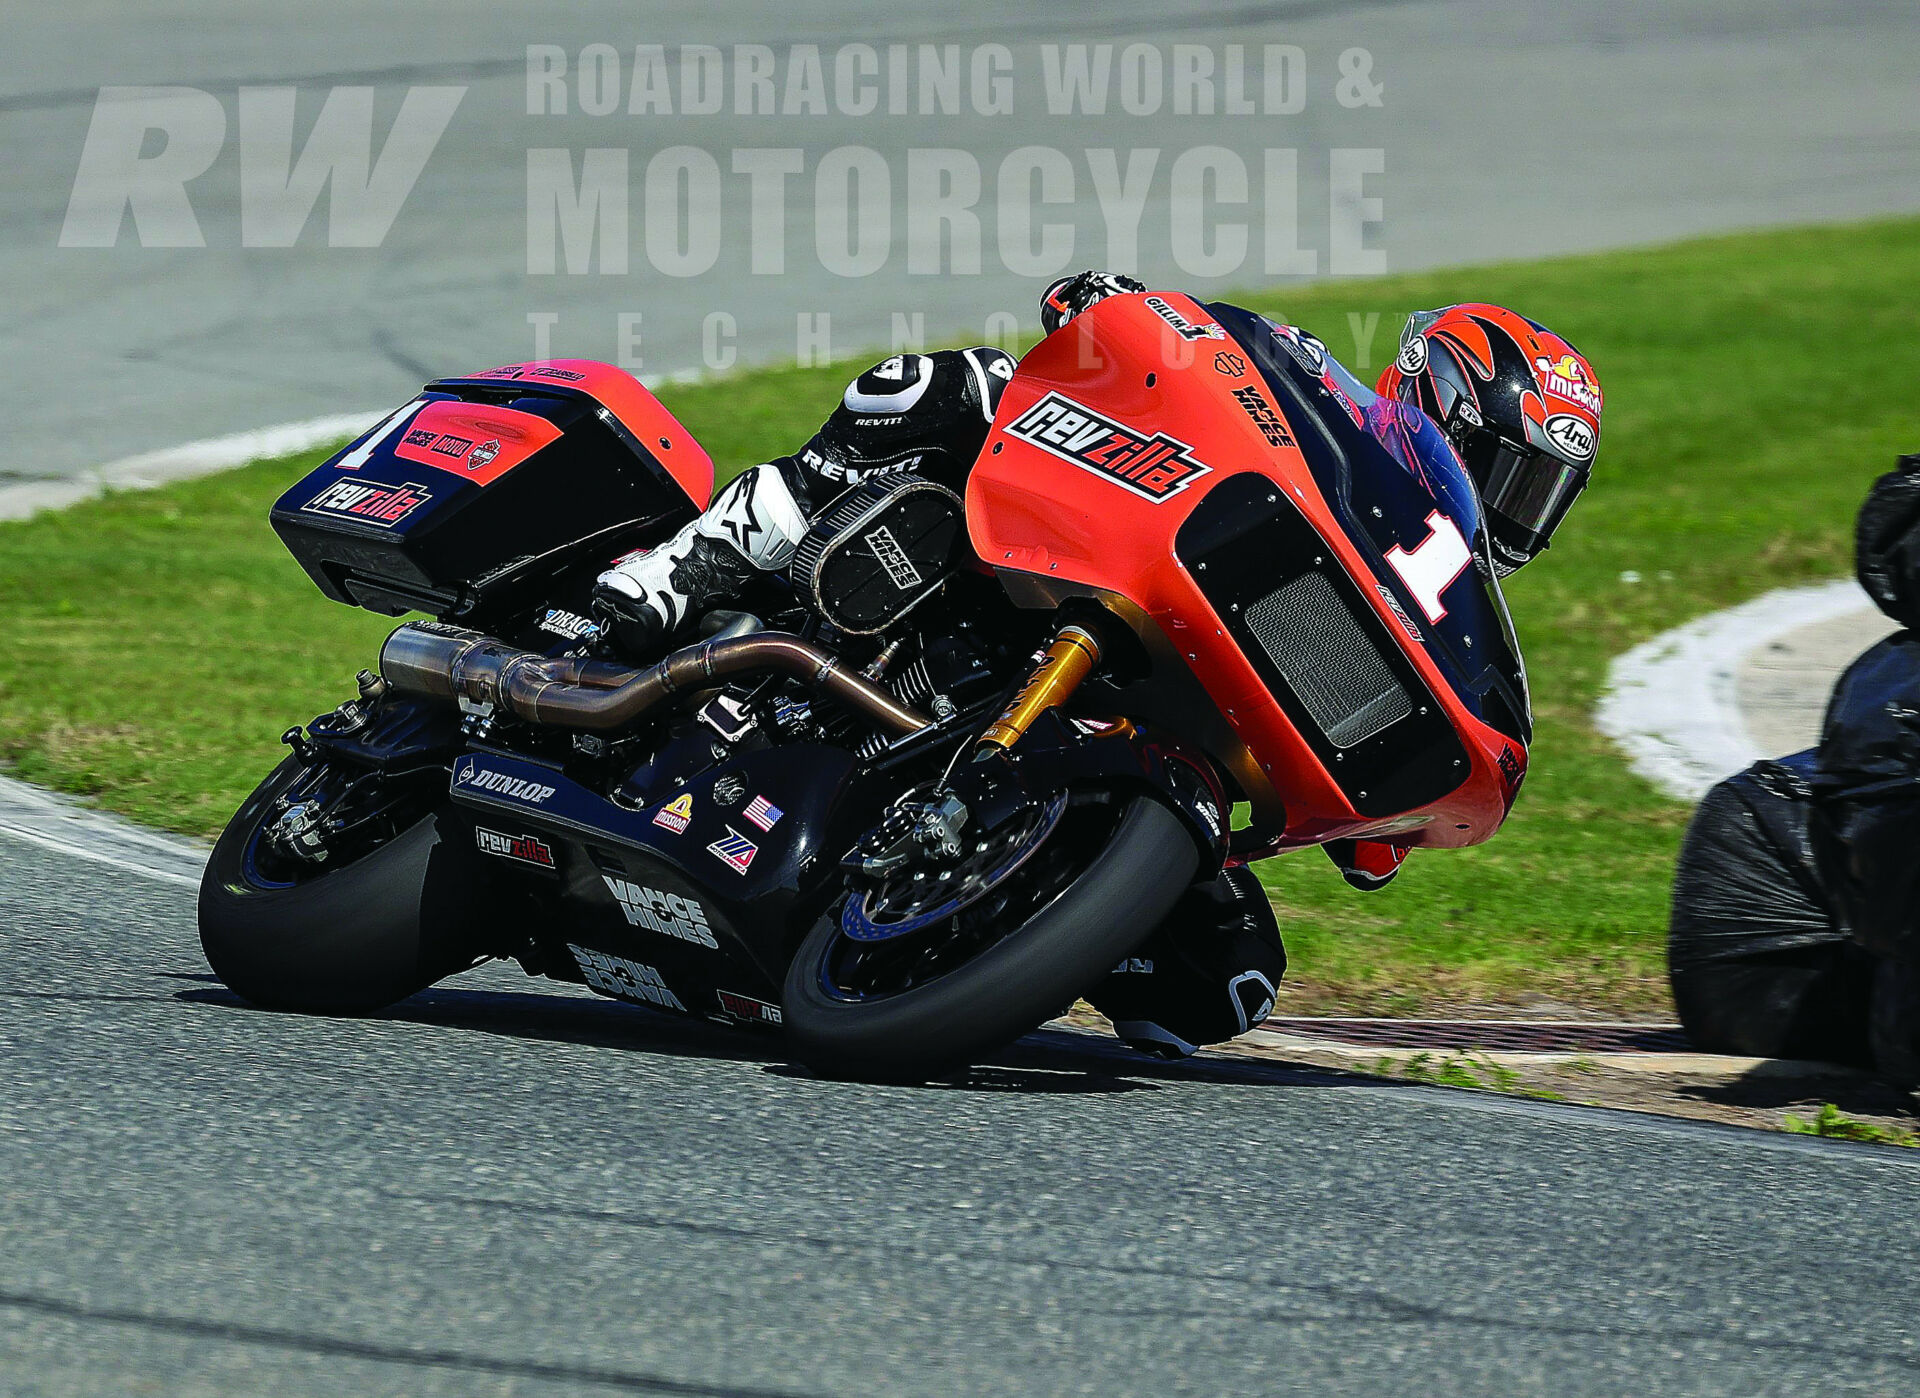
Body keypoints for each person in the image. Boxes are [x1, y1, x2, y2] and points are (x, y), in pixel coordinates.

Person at [588, 273, 1602, 1053]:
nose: (1517, 509)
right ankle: (684, 568)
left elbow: (1366, 850)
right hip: (1057, 595)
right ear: (1442, 397)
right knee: (957, 388)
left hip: (1134, 741)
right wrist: (1120, 311)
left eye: (1542, 493)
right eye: (1510, 470)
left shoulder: (1441, 608)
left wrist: (1389, 810)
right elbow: (1204, 352)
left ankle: (957, 934)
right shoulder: (1317, 396)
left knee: (1228, 988)